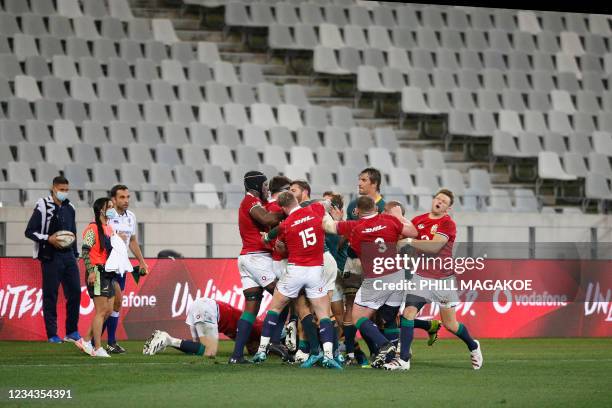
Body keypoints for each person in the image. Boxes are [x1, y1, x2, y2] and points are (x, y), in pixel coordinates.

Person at [383, 189, 484, 371]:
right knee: (408, 313)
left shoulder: (447, 224)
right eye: (437, 198)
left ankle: (473, 345)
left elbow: (435, 246)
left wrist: (410, 244)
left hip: (443, 280)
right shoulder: (419, 220)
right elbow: (401, 239)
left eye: (443, 201)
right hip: (421, 277)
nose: (439, 202)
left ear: (448, 207)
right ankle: (404, 360)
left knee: (450, 324)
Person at [326, 196, 418, 368]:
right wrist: (399, 216)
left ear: (358, 211)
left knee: (357, 316)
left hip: (376, 278)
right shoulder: (390, 220)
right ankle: (394, 361)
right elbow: (413, 232)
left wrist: (336, 218)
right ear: (376, 208)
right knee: (389, 318)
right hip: (397, 275)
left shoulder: (355, 227)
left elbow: (335, 233)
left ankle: (385, 346)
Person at [252, 192, 341, 370]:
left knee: (276, 308)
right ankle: (329, 355)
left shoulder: (286, 224)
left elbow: (276, 241)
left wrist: (267, 238)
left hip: (296, 270)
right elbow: (326, 203)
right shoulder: (315, 208)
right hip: (318, 268)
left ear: (284, 208)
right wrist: (329, 206)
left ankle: (262, 350)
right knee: (324, 313)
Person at [229, 171, 285, 364]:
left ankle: (236, 356)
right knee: (283, 296)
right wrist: (289, 213)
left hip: (246, 258)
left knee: (251, 308)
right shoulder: (250, 201)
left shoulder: (254, 202)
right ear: (257, 187)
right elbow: (268, 220)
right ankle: (275, 341)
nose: (267, 189)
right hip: (257, 258)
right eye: (265, 186)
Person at [24, 176, 81, 344]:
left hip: (69, 255)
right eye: (61, 189)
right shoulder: (43, 205)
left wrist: (75, 255)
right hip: (51, 256)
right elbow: (29, 231)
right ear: (54, 188)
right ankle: (52, 334)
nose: (64, 192)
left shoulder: (70, 207)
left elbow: (73, 233)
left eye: (66, 190)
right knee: (51, 295)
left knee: (76, 292)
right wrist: (48, 239)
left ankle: (71, 331)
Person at [339, 168, 386, 365]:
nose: (359, 183)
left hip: (375, 265)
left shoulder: (384, 207)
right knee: (350, 304)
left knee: (377, 312)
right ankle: (352, 353)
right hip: (354, 261)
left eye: (364, 180)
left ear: (374, 183)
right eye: (359, 179)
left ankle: (380, 349)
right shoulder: (353, 204)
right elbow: (347, 232)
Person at [104, 185, 149, 354]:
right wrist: (114, 238)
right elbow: (100, 239)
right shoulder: (107, 216)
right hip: (107, 266)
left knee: (114, 304)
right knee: (111, 304)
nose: (126, 200)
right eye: (122, 197)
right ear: (113, 199)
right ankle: (105, 342)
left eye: (128, 197)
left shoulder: (131, 217)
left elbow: (132, 241)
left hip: (122, 266)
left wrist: (142, 262)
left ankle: (98, 342)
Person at [142, 297, 264, 357]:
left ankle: (169, 340)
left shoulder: (241, 338)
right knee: (210, 351)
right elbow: (269, 331)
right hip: (209, 310)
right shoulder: (256, 328)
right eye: (257, 348)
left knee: (199, 348)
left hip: (200, 306)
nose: (253, 350)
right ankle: (168, 340)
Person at [74, 197, 117, 358]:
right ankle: (97, 347)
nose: (113, 209)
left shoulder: (109, 228)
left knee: (109, 310)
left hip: (108, 272)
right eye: (110, 206)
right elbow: (85, 251)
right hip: (97, 271)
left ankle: (85, 340)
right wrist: (91, 271)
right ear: (101, 210)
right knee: (101, 311)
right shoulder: (92, 229)